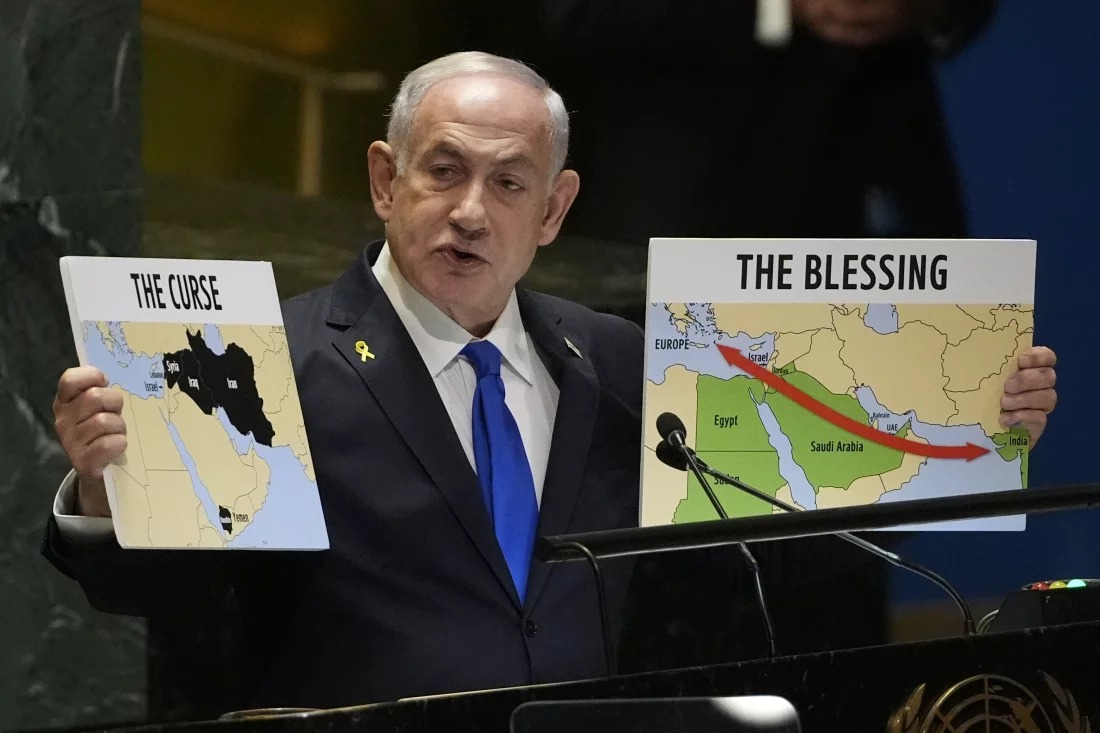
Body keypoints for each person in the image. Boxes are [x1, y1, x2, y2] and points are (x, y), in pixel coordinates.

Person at [43, 51, 1058, 713]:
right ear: (384, 180)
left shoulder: (612, 362)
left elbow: (755, 548)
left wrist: (973, 429)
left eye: (508, 182)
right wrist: (102, 484)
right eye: (441, 173)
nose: (472, 211)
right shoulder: (279, 360)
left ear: (555, 209)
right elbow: (154, 589)